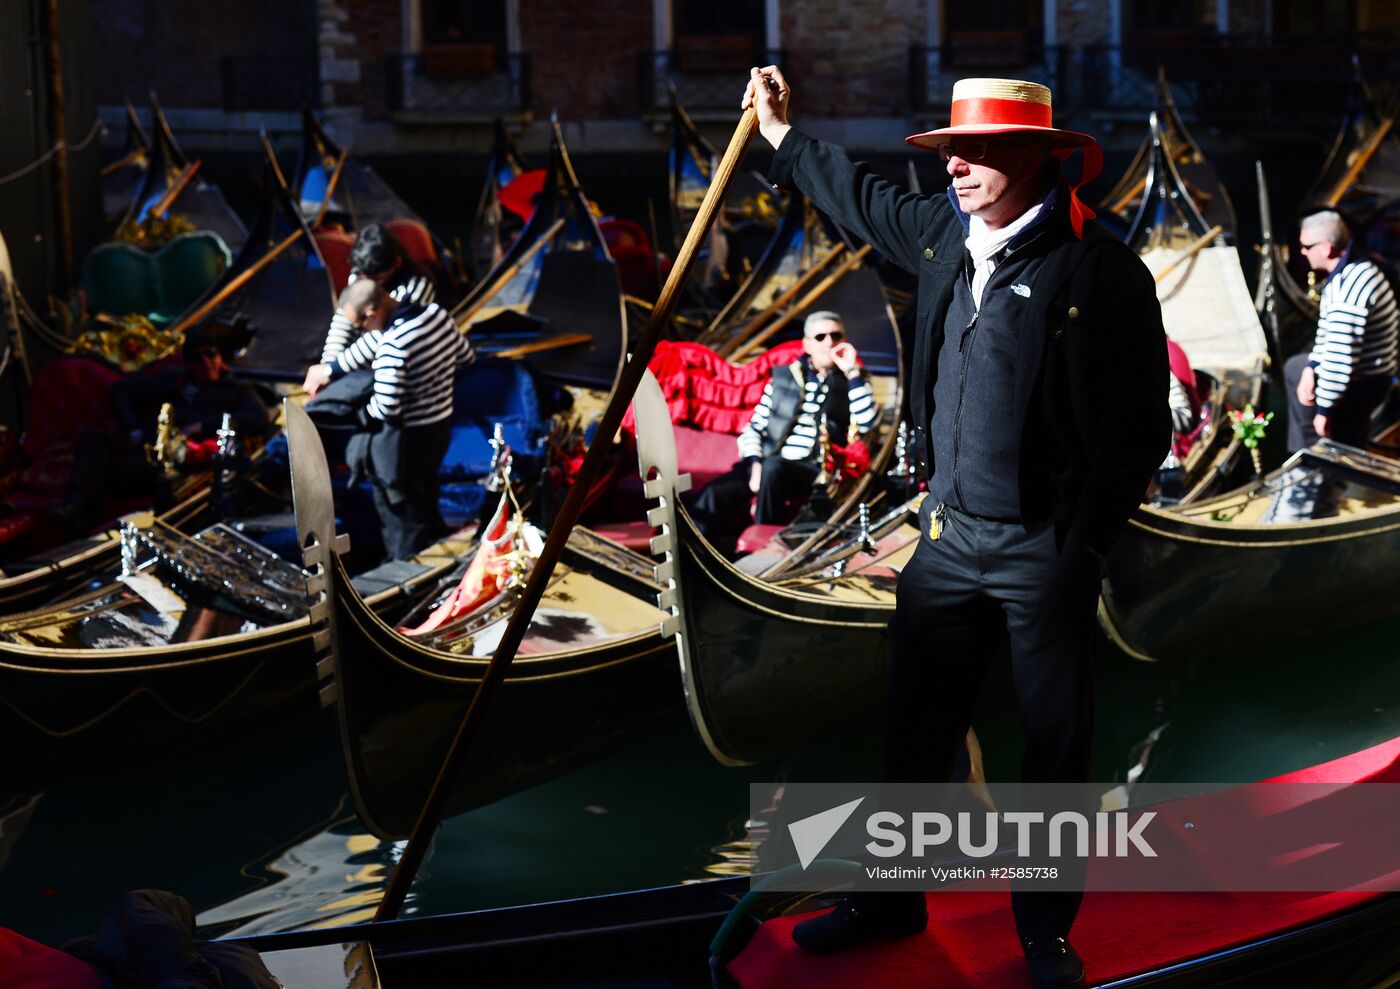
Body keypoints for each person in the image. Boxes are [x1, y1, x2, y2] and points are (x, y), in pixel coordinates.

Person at [742, 70, 1168, 988]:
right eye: (948, 153)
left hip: (1045, 545)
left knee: (1052, 750)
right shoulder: (941, 235)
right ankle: (890, 895)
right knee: (912, 729)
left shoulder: (1102, 271)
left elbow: (1140, 432)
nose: (955, 168)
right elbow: (857, 197)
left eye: (973, 153)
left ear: (1031, 157)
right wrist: (781, 135)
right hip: (947, 537)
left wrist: (1084, 550)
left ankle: (1046, 932)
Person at [302, 277, 473, 560]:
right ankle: (432, 552)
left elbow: (386, 409)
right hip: (441, 427)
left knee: (404, 515)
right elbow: (466, 357)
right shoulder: (437, 315)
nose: (363, 333)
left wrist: (351, 410)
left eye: (361, 327)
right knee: (428, 496)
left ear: (372, 315)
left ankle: (407, 567)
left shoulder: (392, 347)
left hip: (410, 441)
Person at [689, 311, 878, 544]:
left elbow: (868, 422)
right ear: (807, 345)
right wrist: (754, 463)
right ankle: (692, 550)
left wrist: (852, 371)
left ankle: (763, 549)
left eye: (835, 335)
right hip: (768, 461)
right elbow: (754, 427)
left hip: (813, 470)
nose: (829, 342)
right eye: (820, 337)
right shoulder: (783, 378)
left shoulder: (853, 381)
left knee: (774, 469)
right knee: (714, 493)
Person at [57, 327, 271, 533]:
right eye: (198, 358)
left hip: (187, 465)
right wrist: (135, 430)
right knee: (96, 439)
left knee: (165, 481)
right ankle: (76, 509)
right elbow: (121, 390)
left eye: (210, 355)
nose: (206, 363)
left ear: (219, 358)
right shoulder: (172, 380)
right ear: (188, 363)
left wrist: (203, 425)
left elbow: (259, 418)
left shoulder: (236, 390)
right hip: (148, 456)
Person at [1283, 210, 1398, 453]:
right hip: (1366, 371)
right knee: (1296, 368)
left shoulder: (1347, 294)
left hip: (1364, 383)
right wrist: (1311, 367)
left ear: (1326, 248)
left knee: (1333, 435)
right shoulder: (1358, 267)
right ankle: (1307, 448)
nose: (1302, 251)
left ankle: (1311, 455)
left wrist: (1324, 412)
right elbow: (1327, 333)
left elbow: (1341, 362)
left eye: (1306, 246)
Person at [320, 223, 439, 365]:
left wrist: (334, 369)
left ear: (396, 263)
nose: (366, 285)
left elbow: (388, 335)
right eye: (363, 277)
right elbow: (344, 319)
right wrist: (328, 362)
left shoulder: (417, 287)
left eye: (376, 279)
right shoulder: (361, 274)